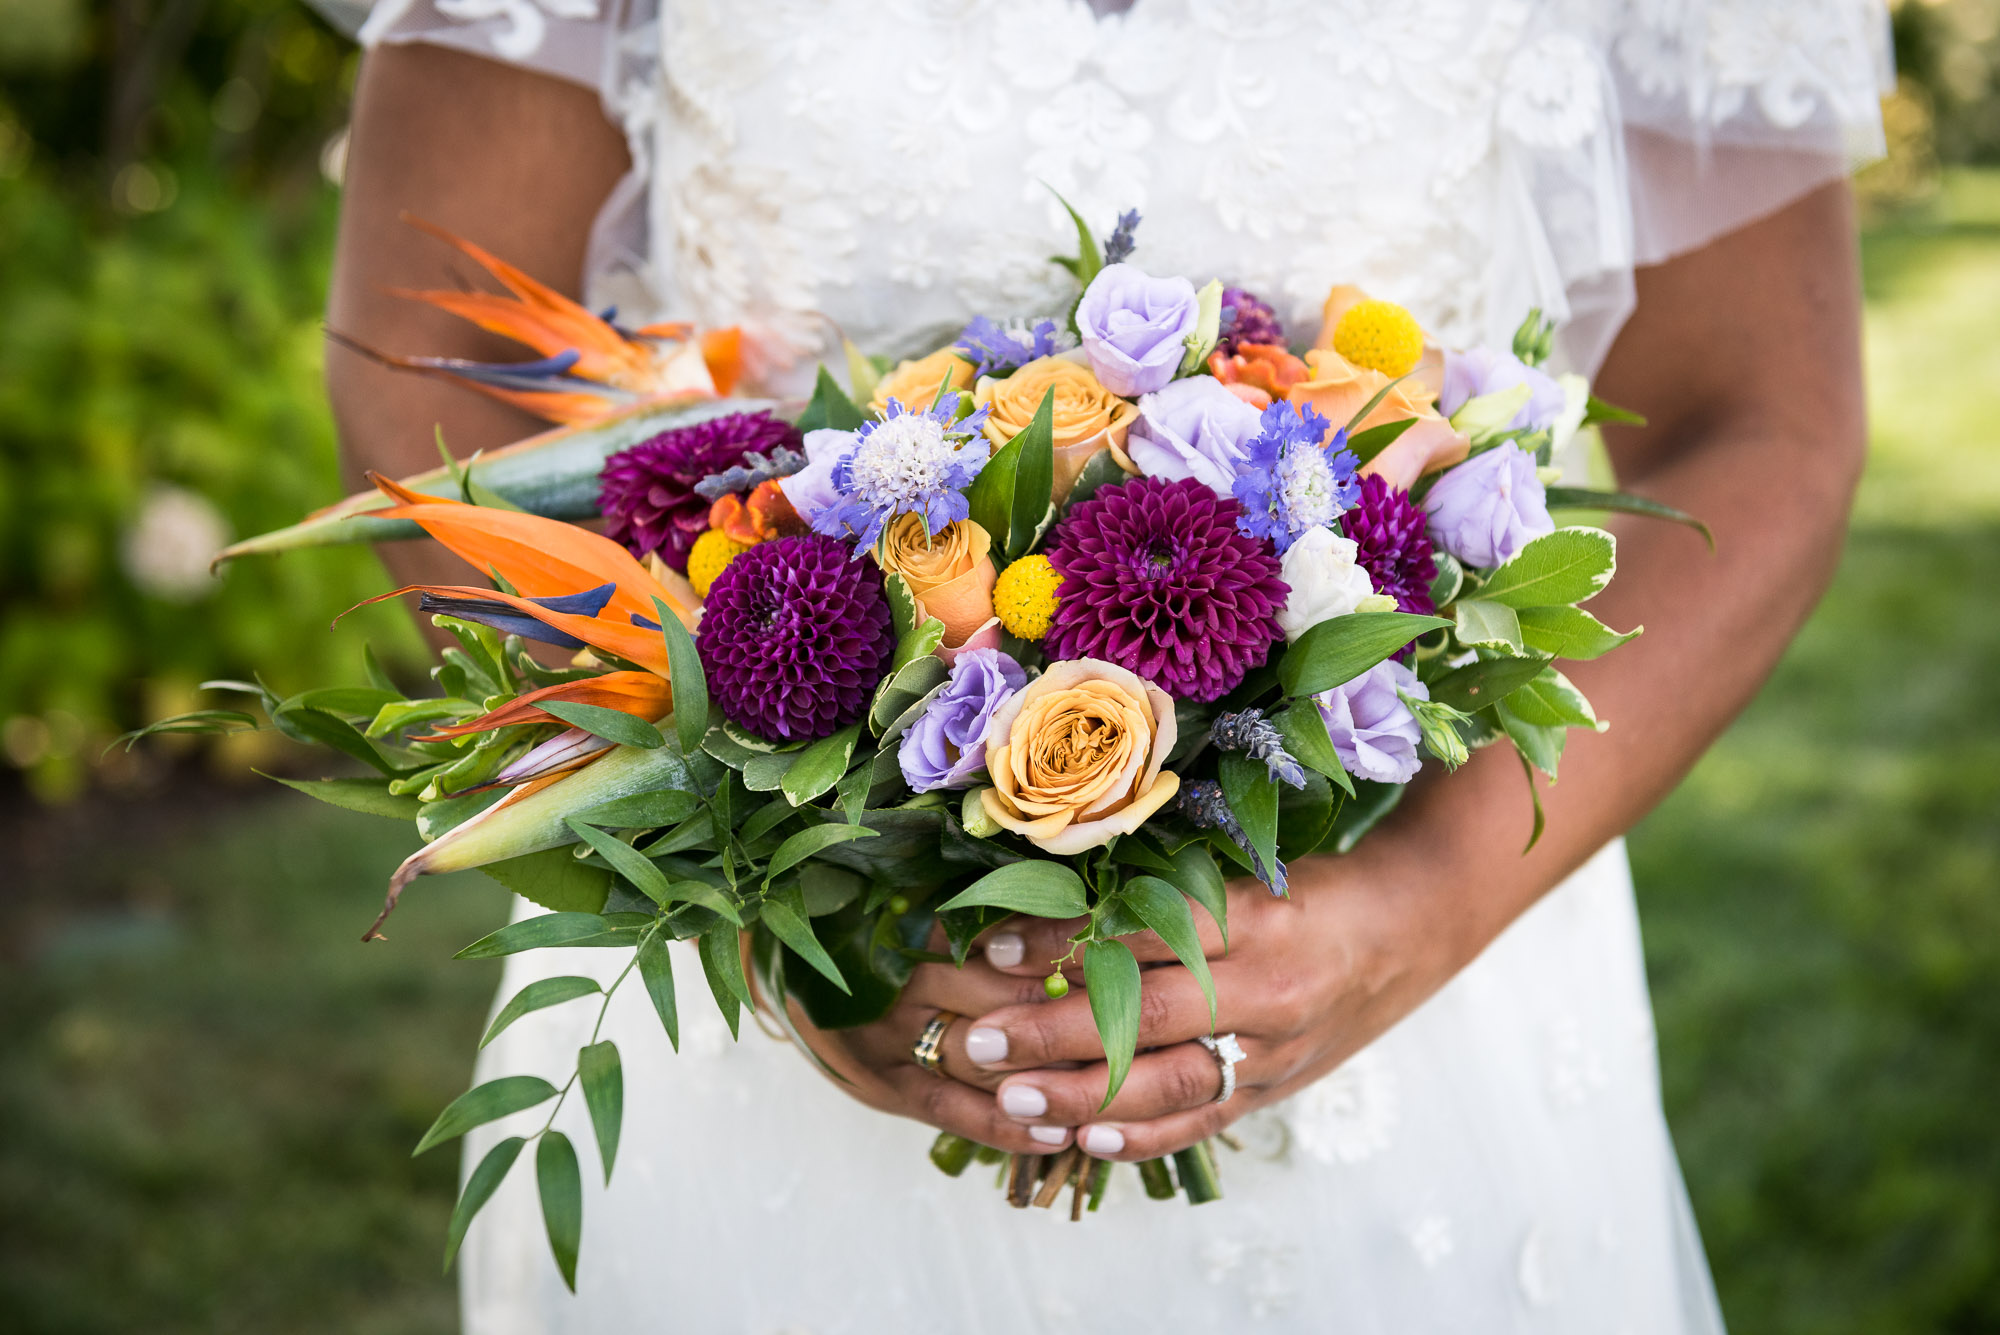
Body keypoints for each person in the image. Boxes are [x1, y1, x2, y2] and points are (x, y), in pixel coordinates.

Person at [325, 2, 1891, 1329]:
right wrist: (756, 897)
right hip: (757, 1046)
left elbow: (1764, 422)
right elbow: (425, 378)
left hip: (1412, 1006)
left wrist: (1416, 909)